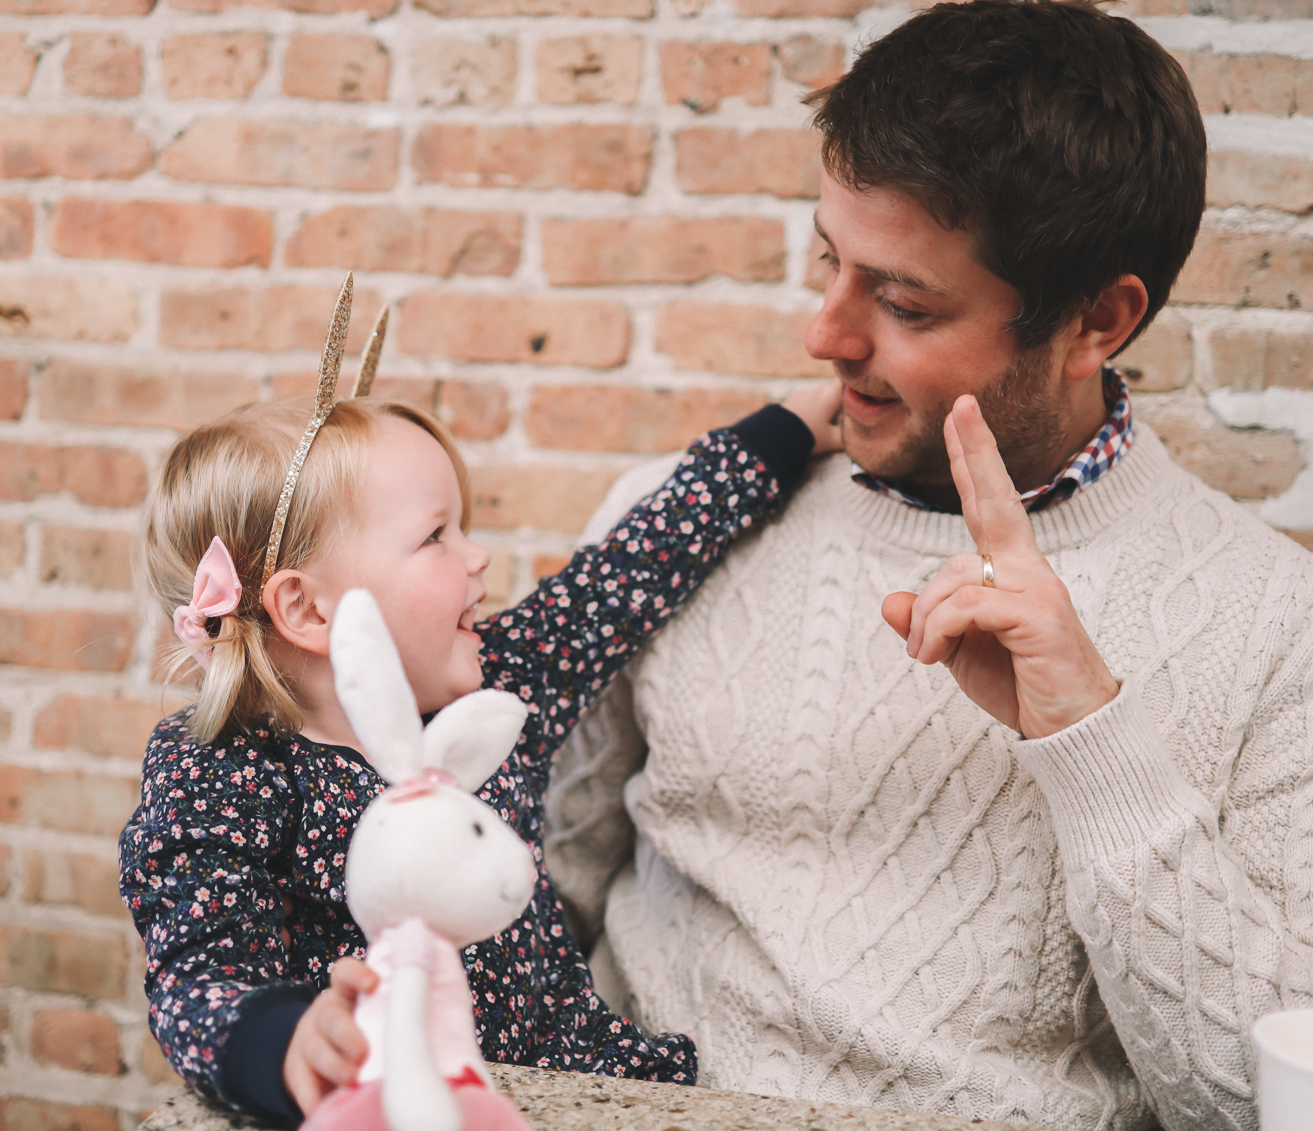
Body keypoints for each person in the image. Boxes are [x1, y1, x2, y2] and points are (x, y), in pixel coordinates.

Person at [546, 0, 1313, 1131]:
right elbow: (518, 892)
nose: (826, 334)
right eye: (829, 262)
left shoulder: (1279, 627)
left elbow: (1306, 1110)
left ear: (1098, 322)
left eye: (902, 301)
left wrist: (1094, 742)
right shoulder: (677, 521)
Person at [118, 303, 845, 1125]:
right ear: (309, 611)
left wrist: (776, 439)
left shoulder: (493, 693)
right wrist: (290, 1044)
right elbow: (200, 981)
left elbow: (621, 581)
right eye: (437, 536)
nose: (478, 556)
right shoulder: (225, 770)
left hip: (572, 1095)